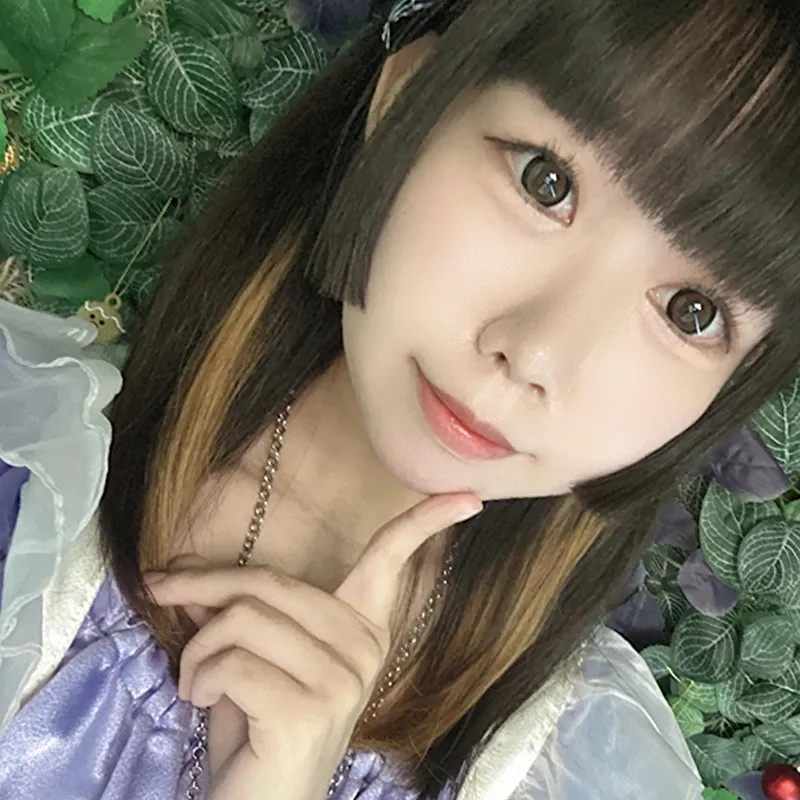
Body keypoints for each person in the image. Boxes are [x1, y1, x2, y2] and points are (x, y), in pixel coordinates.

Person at [0, 0, 798, 797]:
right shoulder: (29, 469)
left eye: (691, 312)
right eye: (545, 182)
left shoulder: (568, 770)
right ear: (404, 101)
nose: (535, 354)